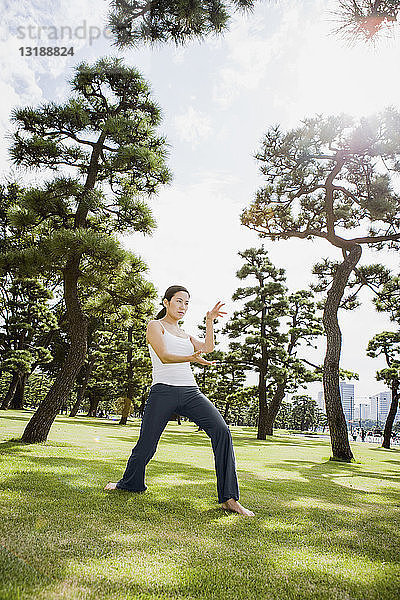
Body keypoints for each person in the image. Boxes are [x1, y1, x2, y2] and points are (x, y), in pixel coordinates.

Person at [105, 285, 254, 517]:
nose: (183, 306)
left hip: (190, 392)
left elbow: (208, 348)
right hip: (162, 391)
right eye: (178, 301)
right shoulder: (156, 326)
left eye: (186, 303)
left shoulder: (185, 334)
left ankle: (229, 498)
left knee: (222, 431)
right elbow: (164, 356)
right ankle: (130, 483)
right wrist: (190, 358)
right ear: (166, 302)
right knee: (147, 444)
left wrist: (209, 321)